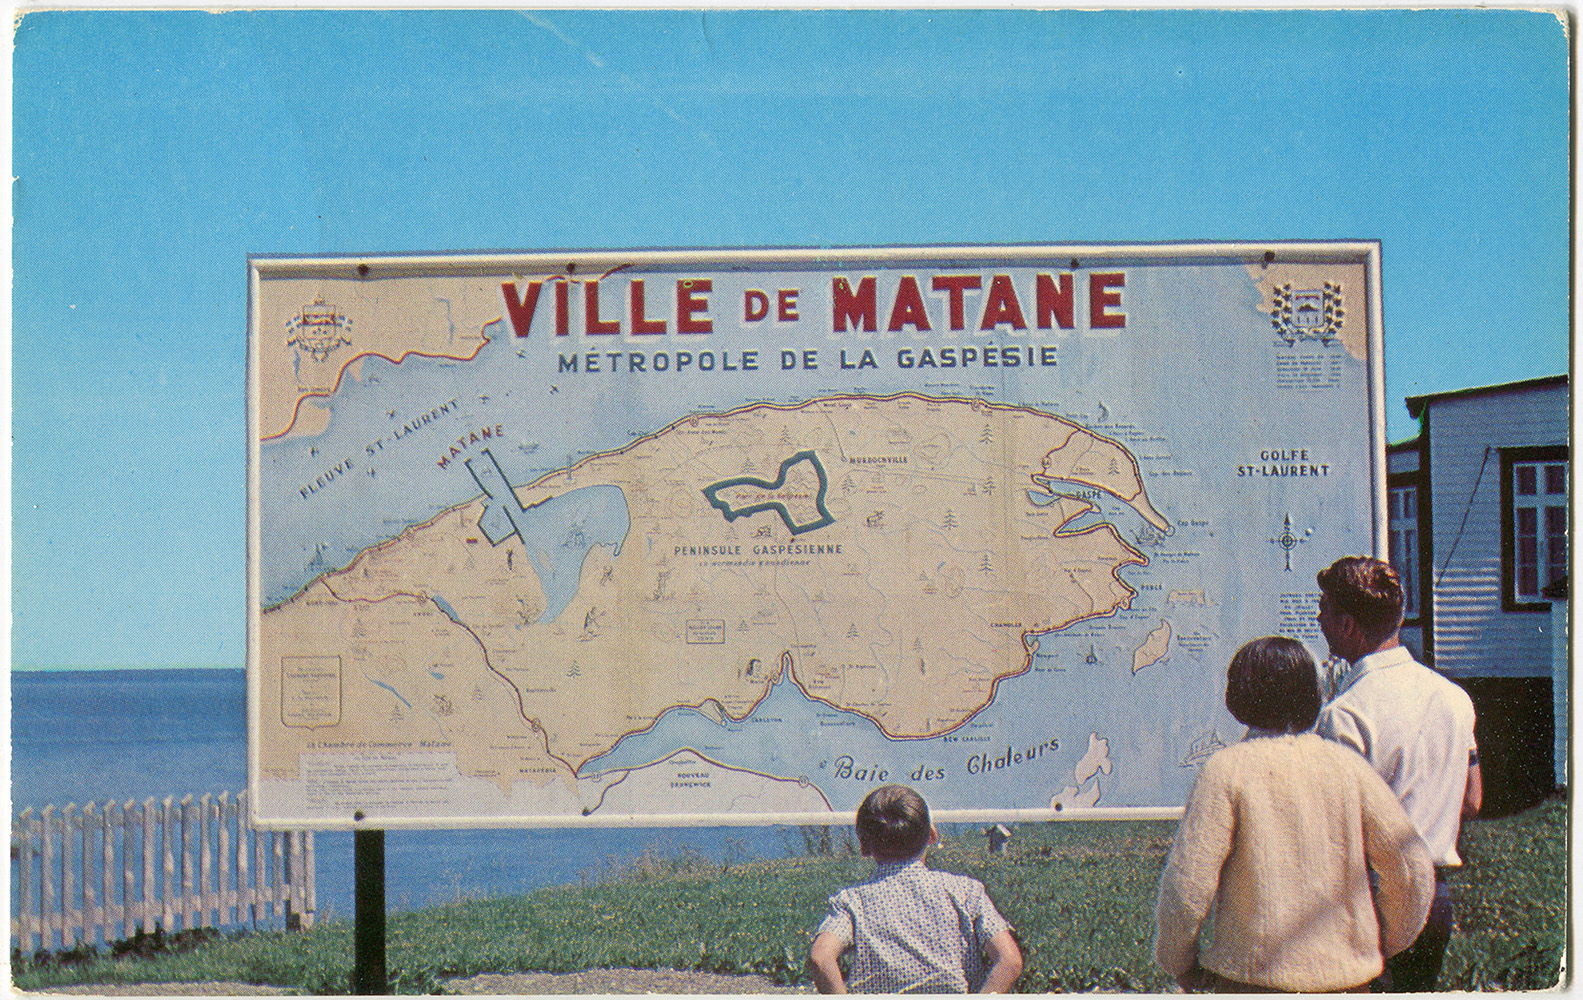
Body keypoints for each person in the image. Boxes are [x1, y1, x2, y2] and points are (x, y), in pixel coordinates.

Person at [1154, 636, 1435, 993]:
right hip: (1349, 982)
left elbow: (1187, 887)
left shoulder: (1226, 771)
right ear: (1313, 694)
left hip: (1252, 981)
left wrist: (1179, 962)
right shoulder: (1349, 767)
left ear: (1236, 697)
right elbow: (1411, 868)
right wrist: (1384, 943)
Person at [1314, 555, 1481, 991]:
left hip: (1370, 901)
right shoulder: (1454, 697)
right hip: (1434, 896)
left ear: (1349, 625)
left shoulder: (1345, 713)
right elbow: (1472, 800)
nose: (1318, 618)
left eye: (1325, 608)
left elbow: (1336, 828)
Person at [807, 785, 1023, 993]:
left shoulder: (851, 901)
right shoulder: (966, 891)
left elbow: (820, 958)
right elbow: (1010, 961)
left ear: (863, 846)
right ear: (931, 835)